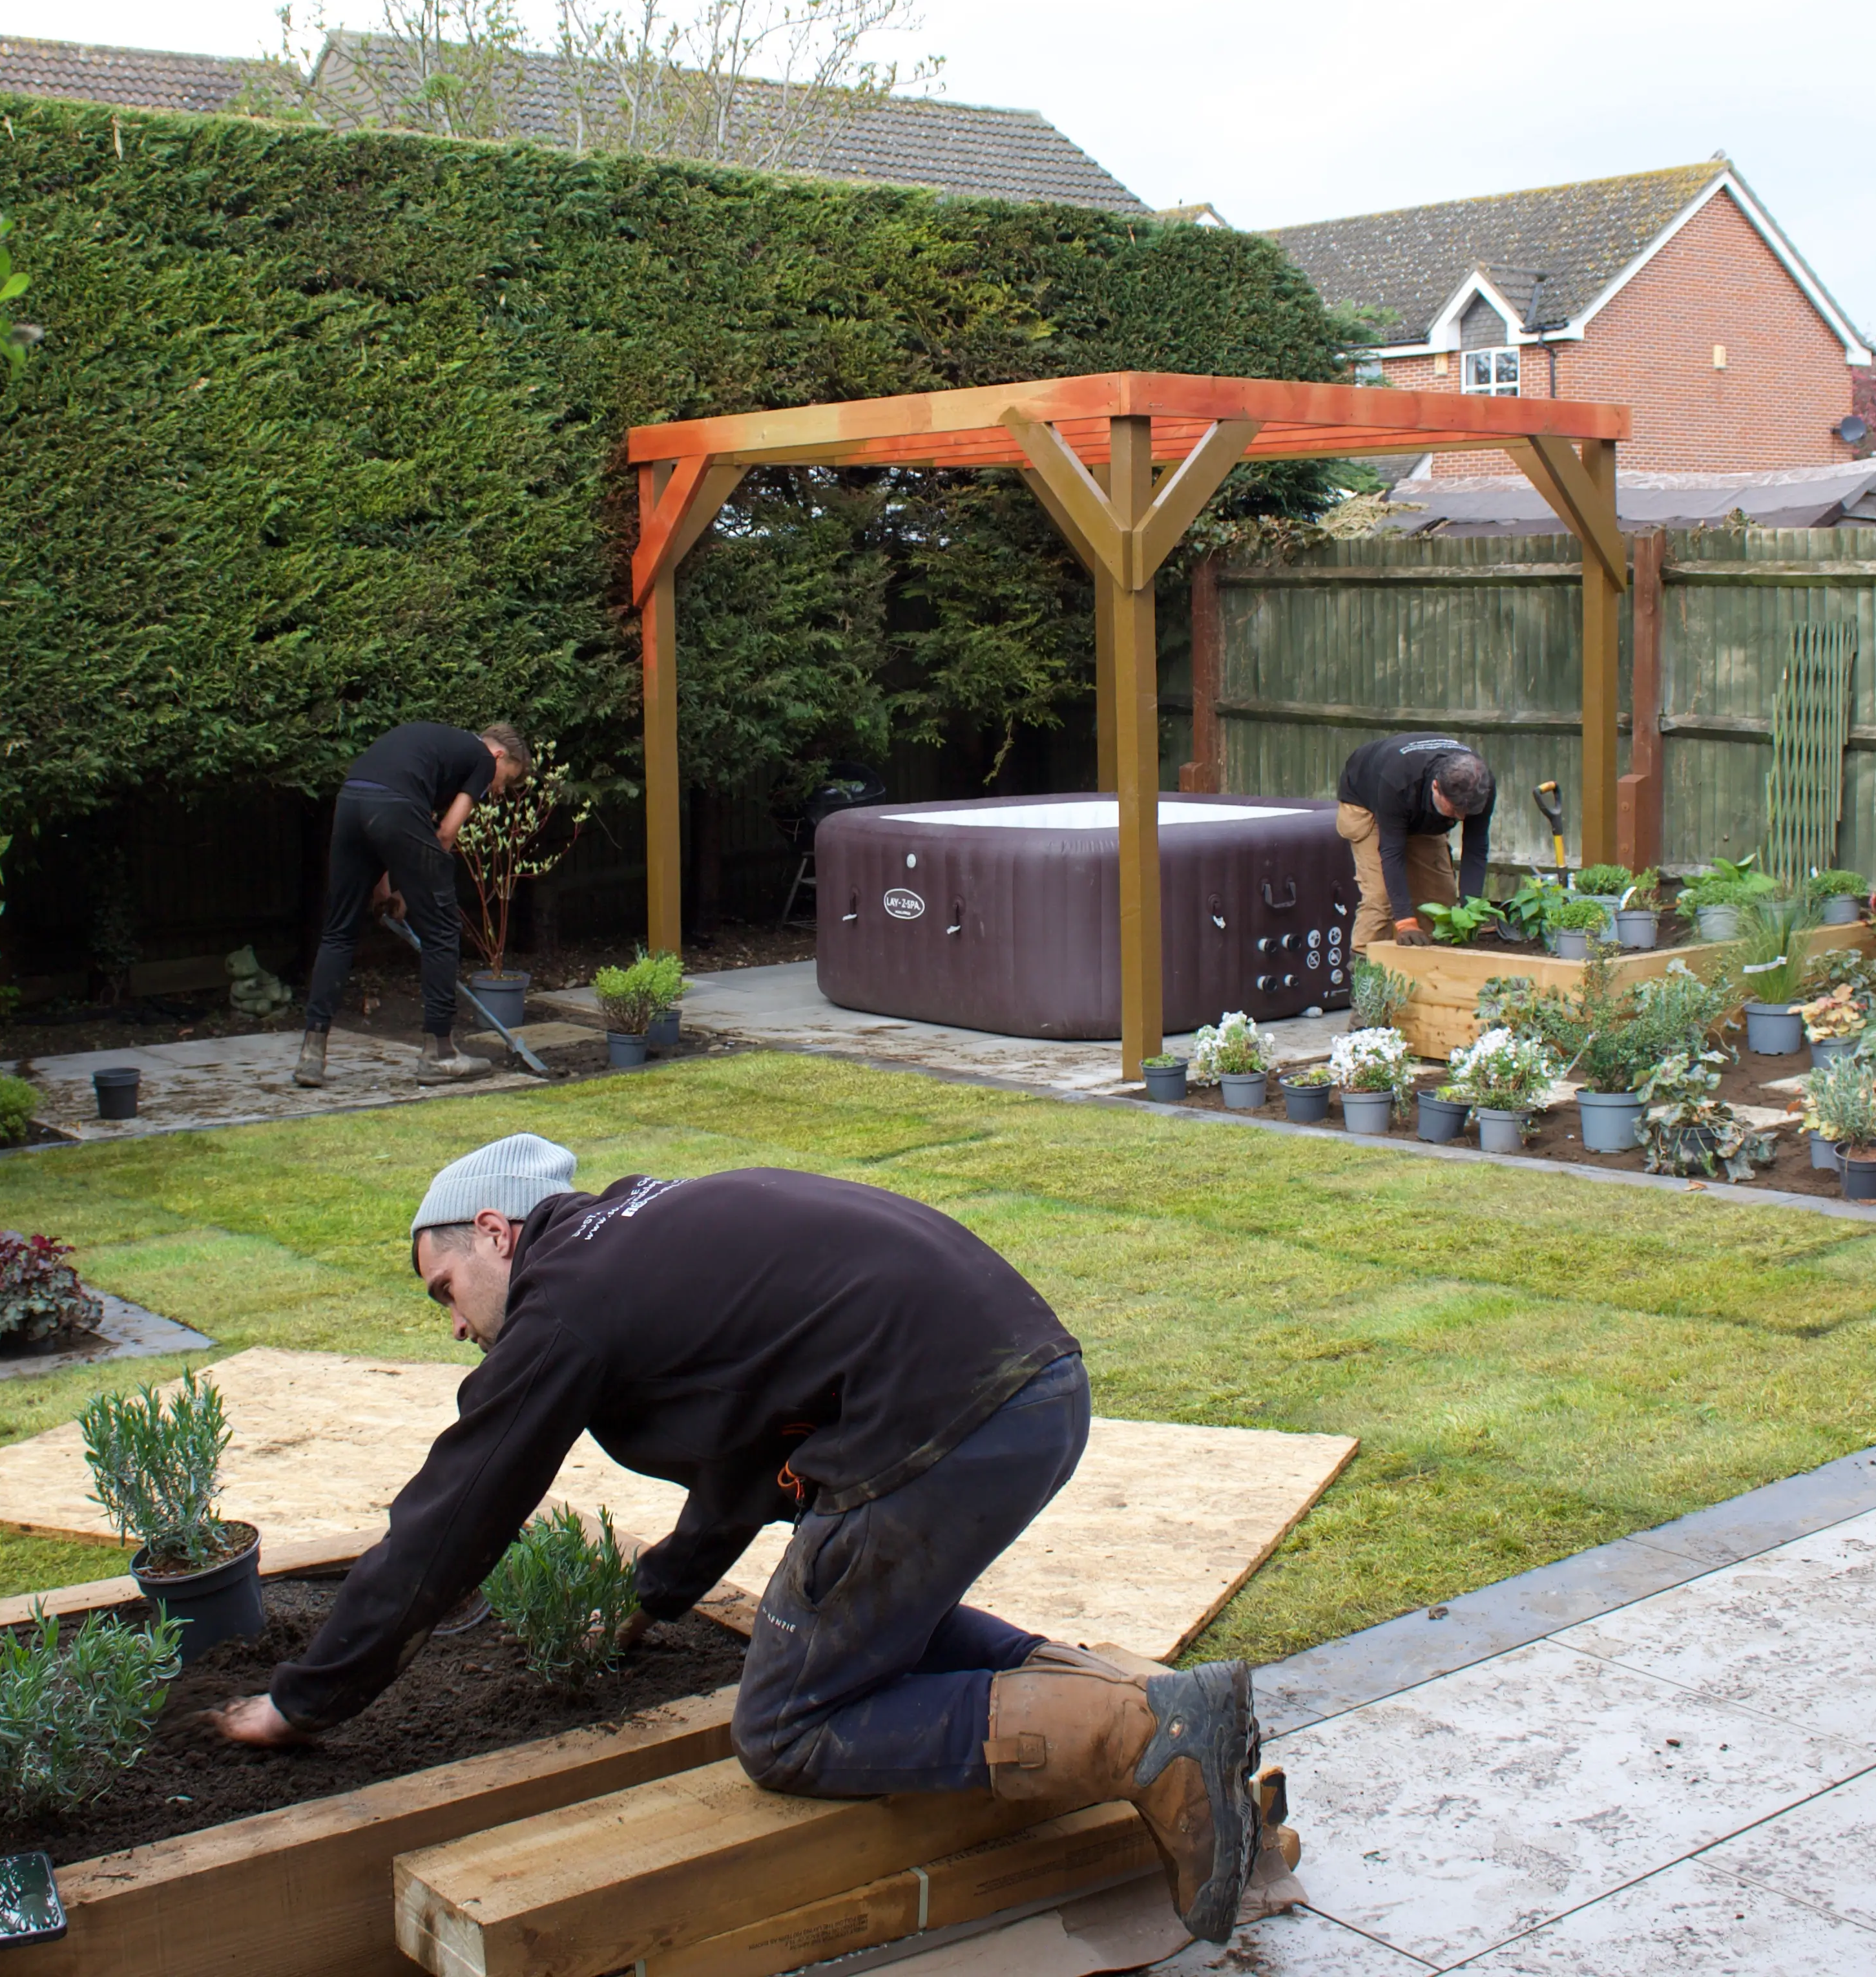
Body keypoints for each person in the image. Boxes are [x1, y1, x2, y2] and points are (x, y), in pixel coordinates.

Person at [203, 1134, 1276, 1942]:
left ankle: (1137, 1738)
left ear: (495, 1231)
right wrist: (657, 1595)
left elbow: (456, 1509)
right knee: (851, 1616)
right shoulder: (632, 1234)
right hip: (1024, 1388)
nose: (452, 1323)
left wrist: (309, 1694)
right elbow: (737, 1463)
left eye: (445, 1290)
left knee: (786, 1726)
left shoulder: (565, 1298)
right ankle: (1164, 1714)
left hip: (948, 1418)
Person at [295, 722, 529, 1088]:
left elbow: (382, 821)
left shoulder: (436, 746)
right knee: (442, 929)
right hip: (392, 808)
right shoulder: (481, 759)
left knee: (338, 931)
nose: (496, 790)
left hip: (351, 802)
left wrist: (386, 891)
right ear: (498, 756)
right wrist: (411, 889)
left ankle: (311, 1054)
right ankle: (439, 1054)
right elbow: (446, 833)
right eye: (503, 781)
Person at [1335, 731, 1496, 953]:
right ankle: (1367, 973)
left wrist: (1471, 909)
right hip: (1367, 804)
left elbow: (1476, 849)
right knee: (1382, 900)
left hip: (1420, 813)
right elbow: (1391, 851)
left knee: (1439, 902)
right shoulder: (1398, 779)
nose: (1460, 818)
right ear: (1436, 786)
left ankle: (1426, 977)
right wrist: (1405, 922)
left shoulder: (1480, 787)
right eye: (1455, 810)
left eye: (1467, 812)